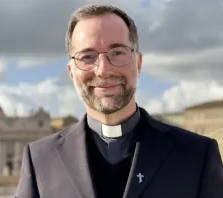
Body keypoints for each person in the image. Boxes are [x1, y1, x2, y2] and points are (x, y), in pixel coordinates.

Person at [15, 4, 223, 198]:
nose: (104, 69)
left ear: (138, 63)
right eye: (87, 56)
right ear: (71, 72)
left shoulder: (197, 155)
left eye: (117, 52)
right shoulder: (40, 159)